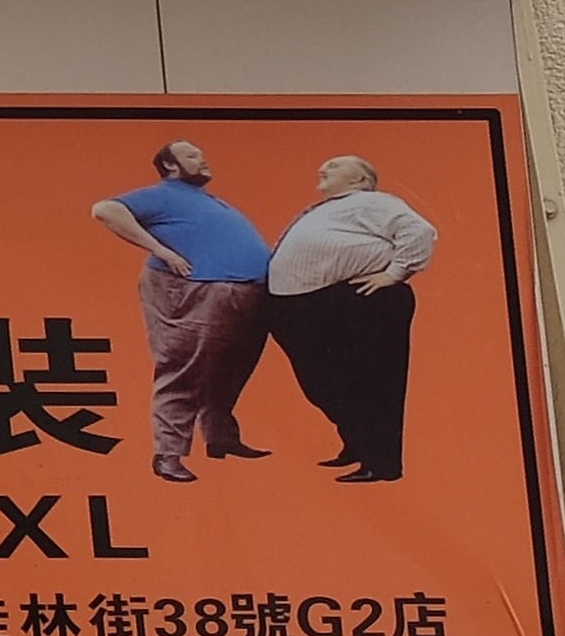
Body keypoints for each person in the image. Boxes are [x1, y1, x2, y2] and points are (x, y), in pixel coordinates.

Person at [89, 140, 277, 484]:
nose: (203, 159)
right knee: (183, 367)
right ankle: (169, 455)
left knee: (230, 369)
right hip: (198, 291)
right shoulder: (162, 195)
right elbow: (104, 209)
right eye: (192, 156)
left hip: (244, 293)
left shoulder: (206, 201)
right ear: (170, 166)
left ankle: (221, 437)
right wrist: (162, 250)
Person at [269, 155, 438, 483]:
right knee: (324, 384)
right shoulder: (333, 208)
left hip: (359, 301)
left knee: (370, 382)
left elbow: (419, 231)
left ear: (360, 180)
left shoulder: (370, 201)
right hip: (310, 304)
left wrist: (394, 274)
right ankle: (359, 445)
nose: (323, 168)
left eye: (334, 166)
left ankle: (381, 463)